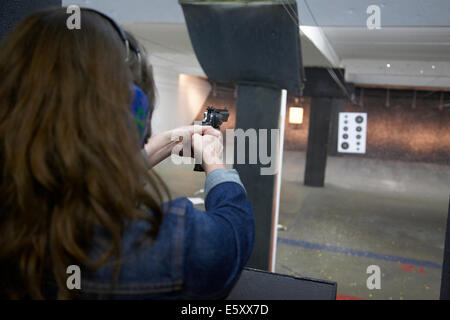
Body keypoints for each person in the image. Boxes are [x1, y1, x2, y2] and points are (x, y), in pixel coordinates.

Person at [0, 7, 254, 299]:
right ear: (134, 113)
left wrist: (170, 142)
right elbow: (235, 231)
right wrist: (215, 161)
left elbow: (75, 171)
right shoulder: (169, 247)